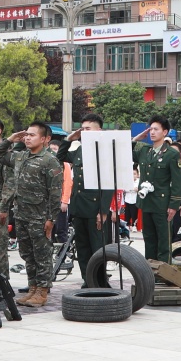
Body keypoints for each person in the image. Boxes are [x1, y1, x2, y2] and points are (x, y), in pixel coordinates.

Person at [12, 120, 63, 306]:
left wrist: (51, 219)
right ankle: (32, 287)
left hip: (39, 217)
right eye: (26, 134)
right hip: (21, 215)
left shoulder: (50, 161)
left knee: (42, 255)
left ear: (44, 139)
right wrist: (11, 139)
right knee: (27, 254)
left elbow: (55, 192)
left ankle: (42, 291)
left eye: (32, 135)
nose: (27, 137)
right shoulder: (22, 156)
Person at [59, 118, 112, 286]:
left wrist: (103, 210)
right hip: (79, 206)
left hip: (95, 207)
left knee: (98, 248)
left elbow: (109, 183)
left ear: (99, 131)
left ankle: (100, 281)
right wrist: (69, 139)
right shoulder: (80, 150)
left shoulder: (105, 152)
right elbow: (60, 157)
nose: (83, 132)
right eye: (82, 128)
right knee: (82, 248)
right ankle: (87, 279)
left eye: (88, 128)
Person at [133, 116, 181, 264]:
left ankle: (164, 272)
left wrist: (173, 205)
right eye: (150, 129)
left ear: (165, 132)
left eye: (156, 129)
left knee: (163, 240)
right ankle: (150, 271)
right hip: (146, 202)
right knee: (149, 239)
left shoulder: (172, 154)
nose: (152, 132)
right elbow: (126, 151)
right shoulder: (145, 151)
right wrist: (137, 137)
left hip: (162, 204)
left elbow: (177, 182)